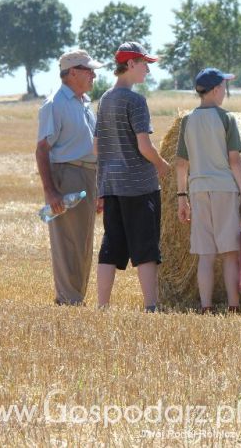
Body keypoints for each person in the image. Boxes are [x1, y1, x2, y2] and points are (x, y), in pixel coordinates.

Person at [95, 42, 171, 312]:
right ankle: (151, 306)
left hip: (112, 185)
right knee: (146, 247)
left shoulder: (104, 99)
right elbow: (144, 146)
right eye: (144, 64)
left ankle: (102, 305)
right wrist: (162, 165)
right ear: (130, 65)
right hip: (139, 186)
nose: (148, 70)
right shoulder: (135, 101)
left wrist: (100, 186)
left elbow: (97, 147)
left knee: (111, 245)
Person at [175, 68, 241, 314]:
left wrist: (181, 197)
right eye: (224, 88)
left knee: (205, 254)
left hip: (197, 190)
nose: (225, 93)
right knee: (230, 253)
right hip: (225, 190)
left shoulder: (187, 120)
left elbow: (181, 164)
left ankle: (206, 307)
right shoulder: (226, 118)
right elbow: (235, 161)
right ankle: (233, 306)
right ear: (217, 90)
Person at [36, 50, 103, 305]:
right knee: (68, 242)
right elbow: (42, 149)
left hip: (88, 174)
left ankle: (76, 298)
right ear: (72, 72)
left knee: (84, 241)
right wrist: (51, 192)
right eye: (89, 70)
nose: (94, 75)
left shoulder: (84, 101)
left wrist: (99, 188)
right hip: (67, 174)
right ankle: (68, 300)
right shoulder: (54, 104)